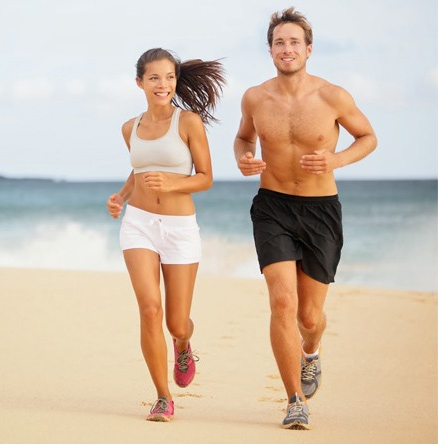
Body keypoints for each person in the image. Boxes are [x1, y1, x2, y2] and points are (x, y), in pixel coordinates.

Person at [234, 7, 377, 430]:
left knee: (309, 318)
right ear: (270, 50)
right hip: (272, 206)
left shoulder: (333, 96)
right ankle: (295, 399)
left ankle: (310, 352)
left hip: (320, 212)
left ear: (309, 49)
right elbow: (244, 136)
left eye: (294, 41)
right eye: (279, 42)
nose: (287, 48)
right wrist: (244, 157)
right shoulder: (255, 97)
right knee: (282, 302)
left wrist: (336, 158)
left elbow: (368, 137)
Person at [107, 48, 224, 422]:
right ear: (140, 82)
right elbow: (139, 169)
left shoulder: (188, 122)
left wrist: (173, 183)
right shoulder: (130, 127)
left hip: (179, 228)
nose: (164, 84)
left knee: (176, 322)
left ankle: (183, 343)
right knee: (148, 309)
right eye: (155, 77)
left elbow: (205, 178)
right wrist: (122, 197)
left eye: (170, 77)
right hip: (138, 224)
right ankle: (162, 396)